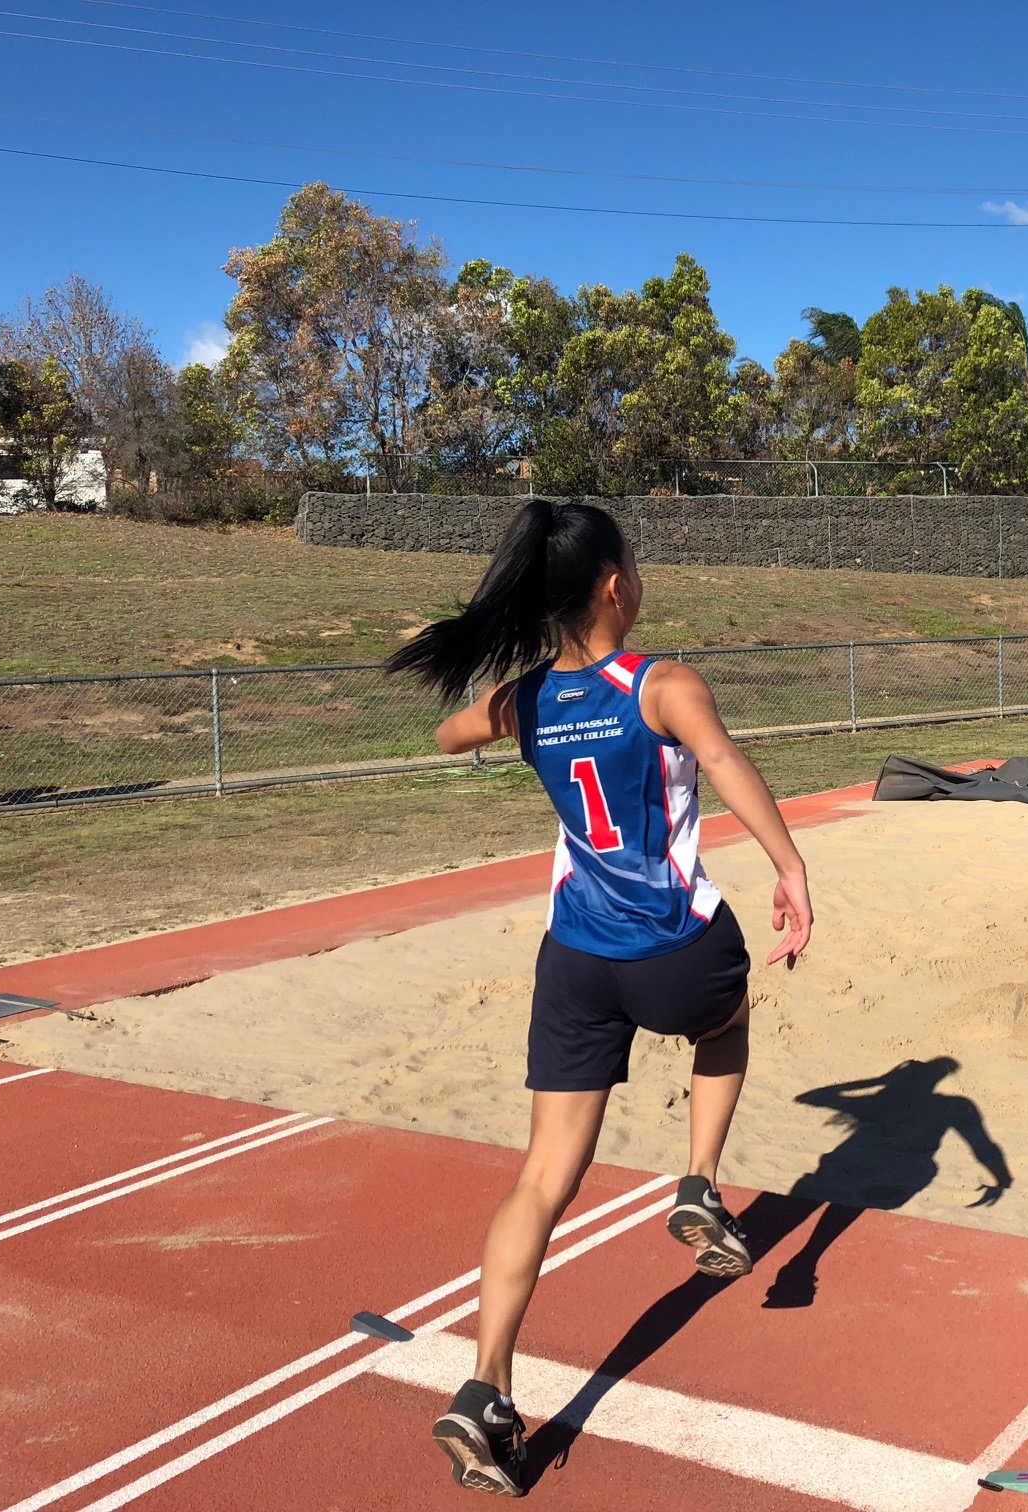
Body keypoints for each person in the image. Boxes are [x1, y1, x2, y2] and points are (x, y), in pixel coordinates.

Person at [386, 499, 815, 1497]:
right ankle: (700, 1178)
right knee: (729, 1016)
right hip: (670, 949)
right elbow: (720, 759)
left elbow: (451, 732)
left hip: (575, 958)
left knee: (543, 1177)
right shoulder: (662, 684)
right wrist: (790, 865)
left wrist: (503, 708)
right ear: (617, 585)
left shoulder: (531, 697)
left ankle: (485, 1384)